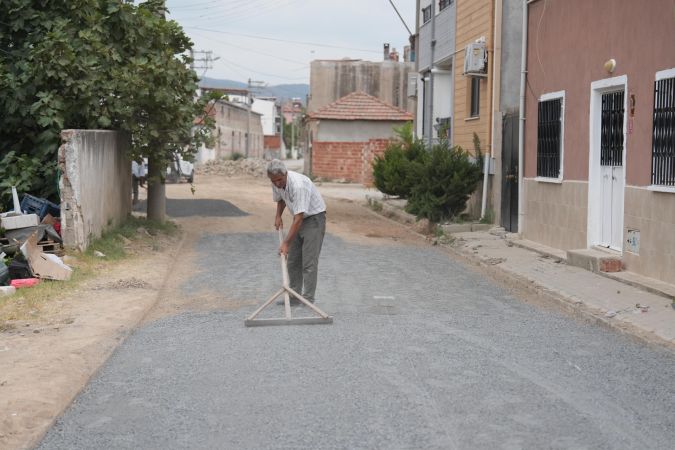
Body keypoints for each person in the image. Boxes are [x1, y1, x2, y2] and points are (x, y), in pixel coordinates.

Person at [267, 159, 326, 305]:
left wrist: (286, 243)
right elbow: (281, 198)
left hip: (314, 219)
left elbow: (299, 218)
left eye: (280, 180)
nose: (277, 183)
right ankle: (294, 296)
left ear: (286, 174)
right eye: (274, 181)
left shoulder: (298, 185)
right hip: (299, 218)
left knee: (309, 262)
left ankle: (308, 299)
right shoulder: (275, 181)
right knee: (293, 260)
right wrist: (278, 216)